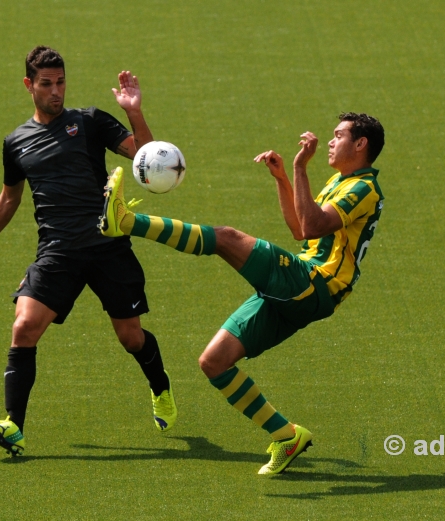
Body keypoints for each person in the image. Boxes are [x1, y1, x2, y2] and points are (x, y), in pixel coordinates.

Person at [99, 112, 385, 474]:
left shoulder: (364, 188)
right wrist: (283, 178)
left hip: (314, 284)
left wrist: (299, 168)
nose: (331, 141)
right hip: (302, 292)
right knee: (214, 362)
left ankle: (124, 221)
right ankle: (286, 435)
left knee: (226, 238)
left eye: (339, 135)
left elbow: (311, 222)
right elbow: (301, 230)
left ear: (360, 144)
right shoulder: (342, 182)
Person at [0, 46, 177, 457]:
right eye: (46, 84)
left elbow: (147, 160)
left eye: (60, 82)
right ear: (29, 85)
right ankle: (14, 426)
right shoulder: (16, 143)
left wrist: (134, 111)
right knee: (24, 327)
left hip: (107, 245)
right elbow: (8, 200)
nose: (55, 91)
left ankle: (160, 386)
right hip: (57, 251)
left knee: (131, 337)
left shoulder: (90, 121)